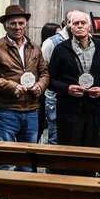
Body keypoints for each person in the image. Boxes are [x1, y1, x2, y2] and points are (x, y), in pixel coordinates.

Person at [0, 5, 49, 199]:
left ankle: (21, 198)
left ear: (26, 24)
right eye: (13, 23)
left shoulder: (34, 48)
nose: (18, 27)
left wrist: (40, 86)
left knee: (27, 158)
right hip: (7, 110)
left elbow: (44, 73)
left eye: (21, 23)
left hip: (31, 109)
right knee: (5, 158)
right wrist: (13, 87)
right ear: (5, 25)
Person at [48, 11, 100, 147]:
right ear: (70, 26)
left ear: (89, 27)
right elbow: (50, 80)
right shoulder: (61, 49)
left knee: (91, 149)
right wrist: (67, 88)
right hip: (69, 109)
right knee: (70, 149)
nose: (80, 26)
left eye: (83, 23)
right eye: (76, 23)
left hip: (93, 109)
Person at [41, 11, 73, 144]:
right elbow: (44, 70)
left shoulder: (86, 40)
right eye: (73, 22)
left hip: (75, 98)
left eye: (82, 23)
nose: (78, 26)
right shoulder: (51, 43)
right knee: (55, 136)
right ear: (66, 23)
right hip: (55, 96)